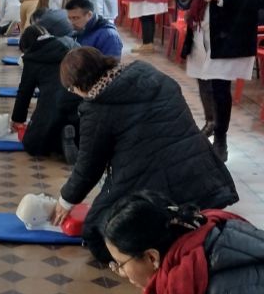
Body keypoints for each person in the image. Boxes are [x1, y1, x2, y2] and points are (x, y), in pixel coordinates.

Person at [50, 47, 238, 262]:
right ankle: (186, 226)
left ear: (78, 86)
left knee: (99, 233)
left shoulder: (98, 109)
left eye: (72, 90)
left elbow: (88, 167)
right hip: (203, 171)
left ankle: (171, 239)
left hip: (156, 175)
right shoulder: (146, 72)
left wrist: (65, 202)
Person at [100, 191, 264, 294]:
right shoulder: (185, 265)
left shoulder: (223, 293)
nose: (122, 273)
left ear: (151, 257)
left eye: (120, 264)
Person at [178, 0, 264, 162]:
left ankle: (221, 140)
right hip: (201, 33)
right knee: (204, 82)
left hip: (228, 35)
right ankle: (210, 123)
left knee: (219, 88)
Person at [11, 25, 80, 162]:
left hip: (52, 104)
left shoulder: (32, 58)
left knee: (33, 144)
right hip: (79, 102)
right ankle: (71, 139)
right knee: (79, 130)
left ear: (27, 46)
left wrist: (17, 119)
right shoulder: (69, 44)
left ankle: (60, 142)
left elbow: (25, 92)